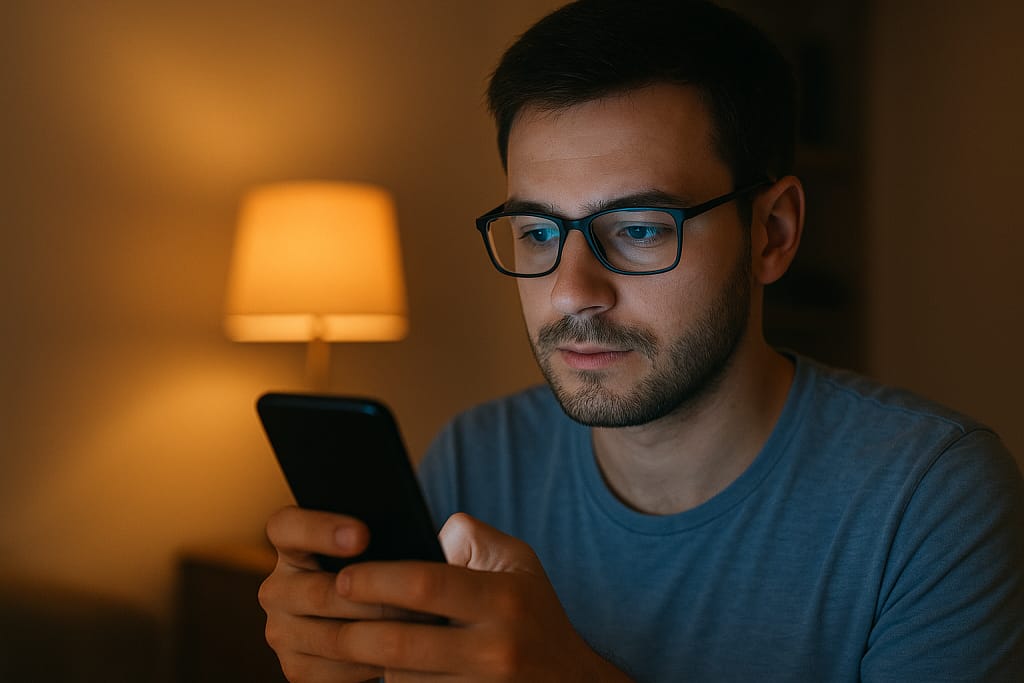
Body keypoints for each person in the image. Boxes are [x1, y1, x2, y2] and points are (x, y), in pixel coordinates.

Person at [258, 1, 1024, 680]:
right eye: (536, 231)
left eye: (638, 228)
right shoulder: (477, 456)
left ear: (773, 232)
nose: (571, 291)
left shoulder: (930, 499)